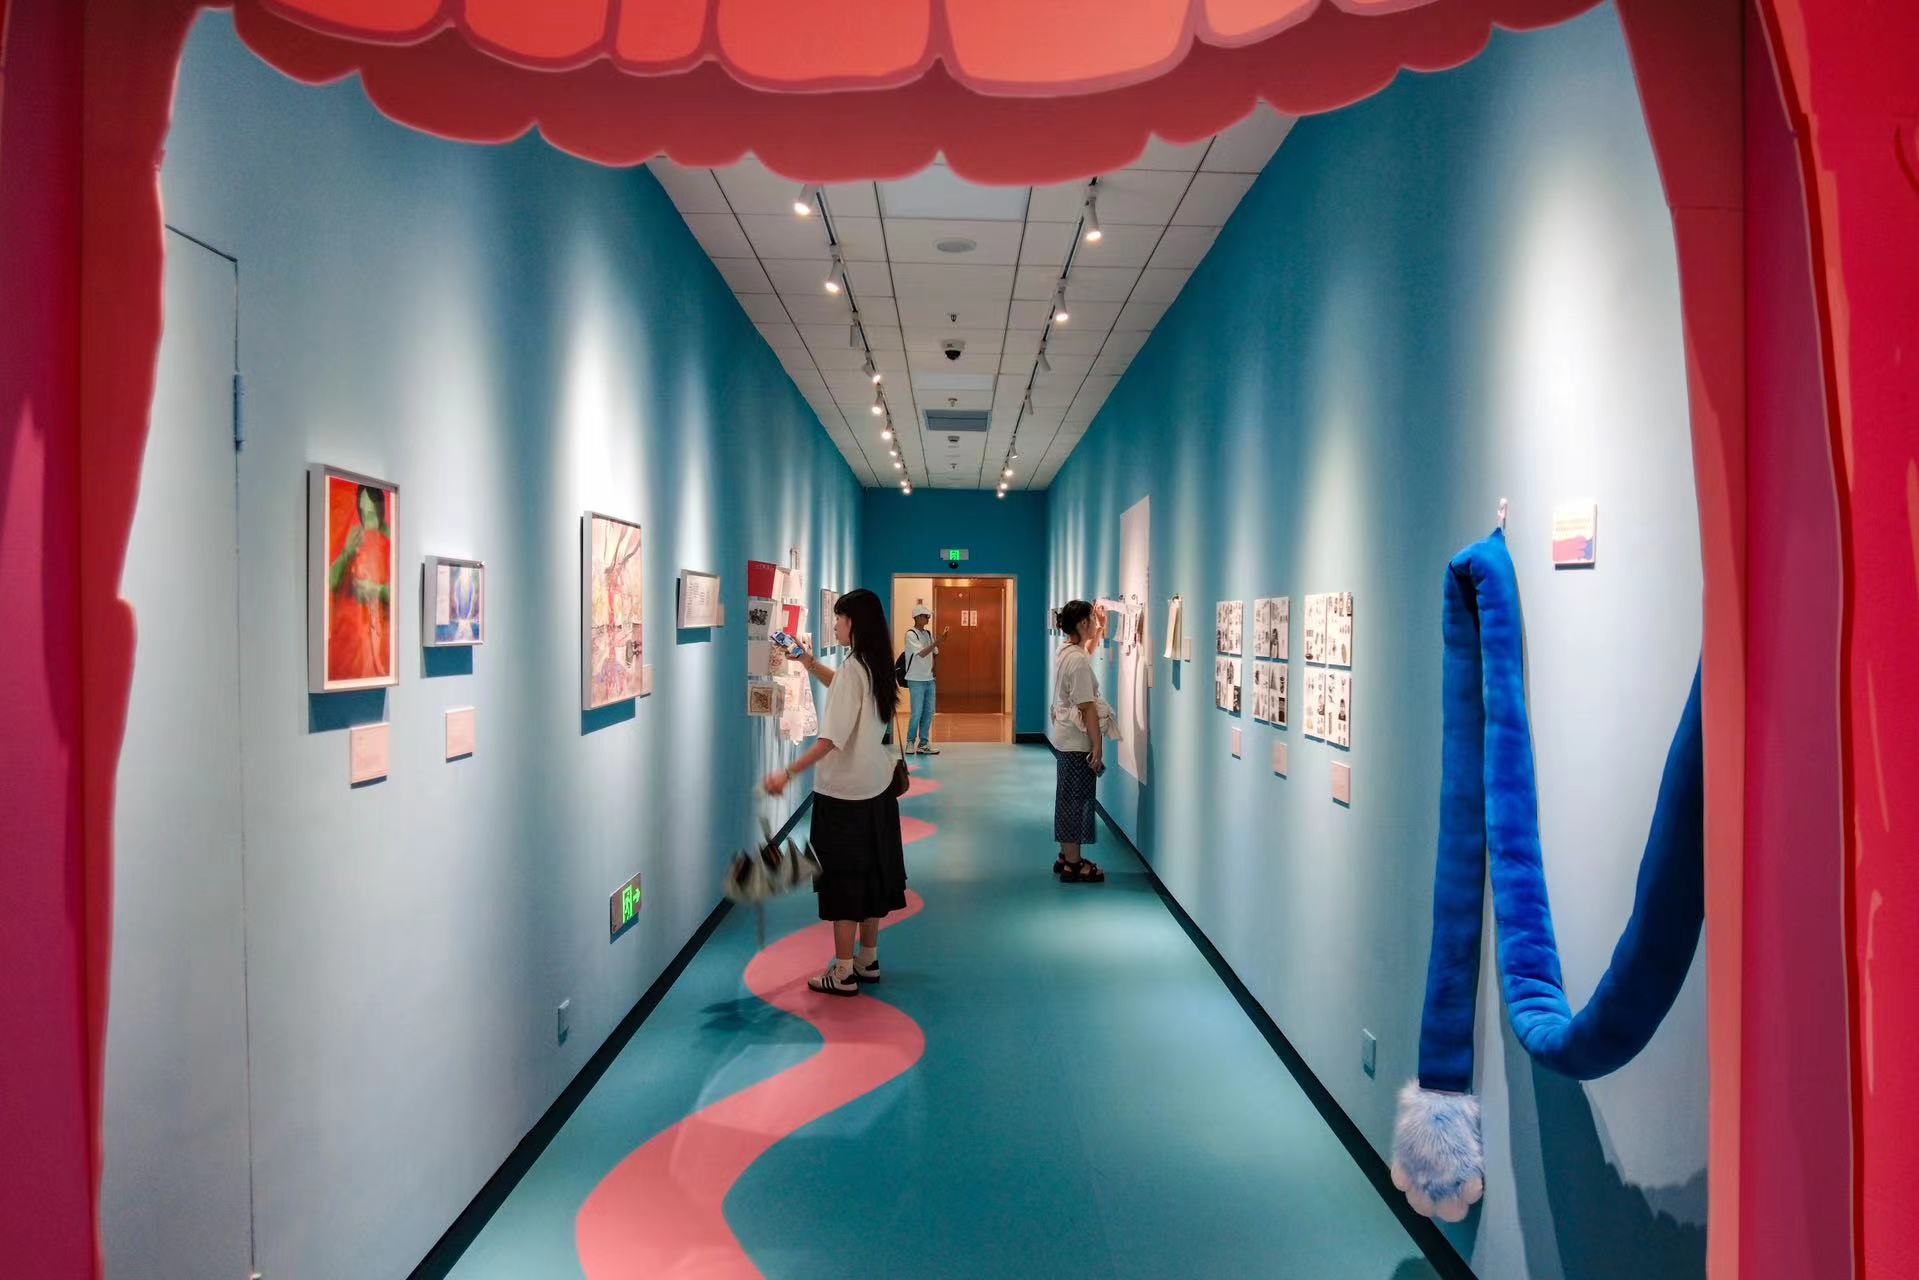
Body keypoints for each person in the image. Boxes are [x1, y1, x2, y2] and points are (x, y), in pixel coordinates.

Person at [763, 588, 908, 996]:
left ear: (854, 622)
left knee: (843, 880)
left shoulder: (854, 668)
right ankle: (867, 959)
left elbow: (830, 741)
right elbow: (846, 689)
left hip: (845, 797)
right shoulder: (874, 665)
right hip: (877, 789)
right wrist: (809, 663)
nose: (836, 625)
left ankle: (843, 971)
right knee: (872, 875)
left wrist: (787, 773)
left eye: (840, 618)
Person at [1049, 600, 1106, 883]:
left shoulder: (1066, 651)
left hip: (1064, 737)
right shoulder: (1078, 661)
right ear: (1083, 623)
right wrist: (1097, 745)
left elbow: (1085, 653)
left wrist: (1100, 631)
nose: (1095, 623)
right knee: (1076, 800)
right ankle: (1074, 863)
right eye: (1093, 619)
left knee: (1067, 796)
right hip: (1076, 741)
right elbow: (1087, 707)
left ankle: (1066, 854)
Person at [901, 606, 949, 755]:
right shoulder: (911, 634)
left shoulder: (928, 634)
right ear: (917, 617)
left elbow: (935, 653)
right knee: (917, 713)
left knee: (928, 712)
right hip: (915, 680)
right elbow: (922, 653)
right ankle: (910, 742)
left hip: (929, 680)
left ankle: (923, 744)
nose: (928, 619)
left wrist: (935, 671)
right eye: (925, 616)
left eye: (928, 616)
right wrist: (939, 641)